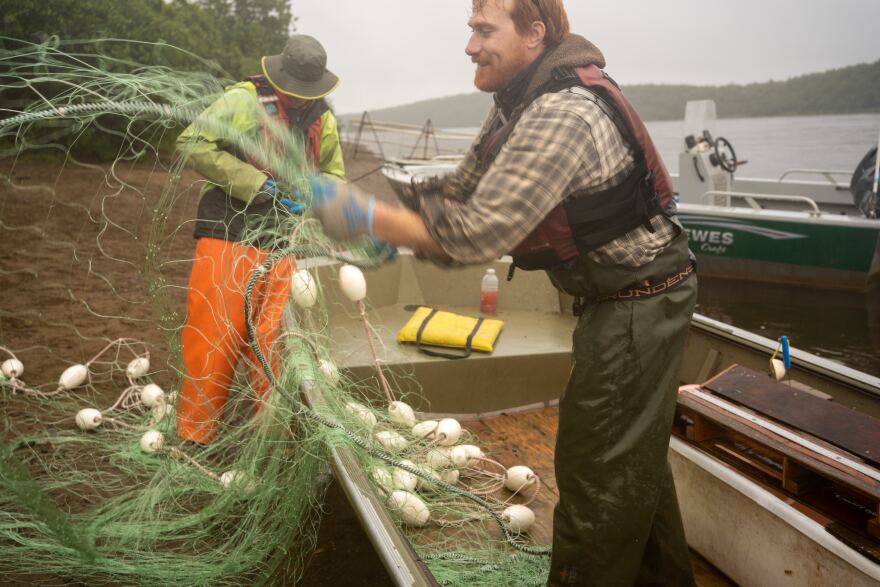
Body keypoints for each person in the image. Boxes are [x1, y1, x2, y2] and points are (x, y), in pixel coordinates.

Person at [308, 1, 697, 585]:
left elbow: (476, 234)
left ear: (534, 33)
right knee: (631, 465)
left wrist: (366, 219)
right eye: (471, 29)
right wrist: (391, 207)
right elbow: (463, 189)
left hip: (641, 304)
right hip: (621, 300)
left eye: (484, 30)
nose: (469, 46)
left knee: (596, 476)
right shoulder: (517, 101)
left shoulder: (563, 112)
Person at [175, 34, 346, 445]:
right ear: (279, 77)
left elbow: (334, 176)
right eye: (295, 92)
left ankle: (269, 438)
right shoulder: (244, 101)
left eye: (309, 93)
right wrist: (256, 182)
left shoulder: (325, 119)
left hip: (284, 242)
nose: (302, 100)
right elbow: (190, 143)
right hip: (228, 233)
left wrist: (314, 193)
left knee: (274, 344)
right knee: (213, 337)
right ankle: (195, 434)